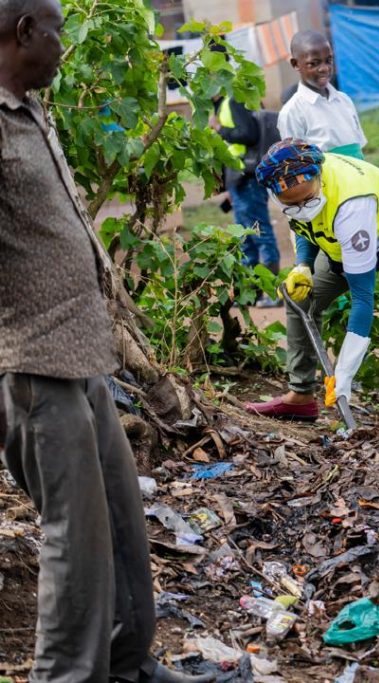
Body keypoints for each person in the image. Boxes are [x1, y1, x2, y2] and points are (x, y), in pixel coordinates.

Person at [0, 2, 213, 681]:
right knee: (76, 536)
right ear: (24, 32)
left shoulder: (28, 109)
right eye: (57, 32)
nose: (63, 46)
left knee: (121, 519)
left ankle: (126, 661)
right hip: (32, 362)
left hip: (83, 351)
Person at [244, 141, 379, 439]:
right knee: (301, 298)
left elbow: (363, 300)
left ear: (320, 176)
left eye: (308, 199)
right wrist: (303, 265)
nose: (301, 208)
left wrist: (344, 373)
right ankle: (301, 396)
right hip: (357, 241)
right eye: (292, 205)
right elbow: (305, 223)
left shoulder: (352, 203)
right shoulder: (288, 184)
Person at [278, 30, 368, 274]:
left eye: (328, 60)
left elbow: (359, 151)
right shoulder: (293, 112)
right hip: (327, 202)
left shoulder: (344, 100)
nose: (324, 68)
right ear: (295, 64)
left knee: (365, 262)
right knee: (336, 268)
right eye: (313, 63)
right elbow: (294, 171)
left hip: (360, 194)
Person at [212, 93, 281, 306]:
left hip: (248, 178)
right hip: (238, 181)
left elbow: (248, 134)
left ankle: (272, 293)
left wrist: (220, 129)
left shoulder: (234, 100)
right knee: (245, 240)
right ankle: (251, 294)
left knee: (260, 234)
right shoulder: (222, 104)